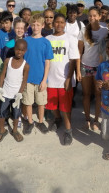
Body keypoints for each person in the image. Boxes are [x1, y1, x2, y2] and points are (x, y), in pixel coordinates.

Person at [45, 13, 79, 145]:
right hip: (50, 79)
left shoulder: (70, 38)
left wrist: (69, 78)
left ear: (65, 24)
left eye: (61, 22)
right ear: (53, 23)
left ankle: (68, 130)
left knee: (65, 107)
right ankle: (57, 119)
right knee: (53, 106)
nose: (59, 24)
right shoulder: (47, 38)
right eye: (56, 22)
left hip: (65, 78)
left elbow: (72, 60)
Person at [77, 6, 108, 130]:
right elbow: (79, 51)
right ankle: (87, 119)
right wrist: (78, 69)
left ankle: (96, 120)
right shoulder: (83, 30)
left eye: (95, 15)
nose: (92, 18)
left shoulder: (105, 30)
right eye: (90, 15)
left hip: (99, 67)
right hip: (85, 65)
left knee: (98, 94)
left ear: (100, 16)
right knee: (86, 94)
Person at [22, 14, 54, 135]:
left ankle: (40, 121)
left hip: (41, 78)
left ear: (43, 26)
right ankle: (30, 122)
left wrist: (44, 80)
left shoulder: (46, 42)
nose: (35, 27)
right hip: (28, 78)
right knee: (28, 102)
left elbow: (47, 63)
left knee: (41, 103)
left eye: (38, 25)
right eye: (33, 24)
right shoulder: (25, 41)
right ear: (30, 25)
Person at [0, 39, 29, 143]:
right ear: (14, 49)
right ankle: (1, 130)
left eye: (22, 50)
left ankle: (14, 131)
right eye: (18, 49)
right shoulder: (7, 61)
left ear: (25, 51)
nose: (19, 52)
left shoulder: (25, 66)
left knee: (16, 114)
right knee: (1, 112)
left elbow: (24, 81)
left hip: (16, 95)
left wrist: (20, 94)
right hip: (5, 92)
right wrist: (0, 88)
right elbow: (2, 75)